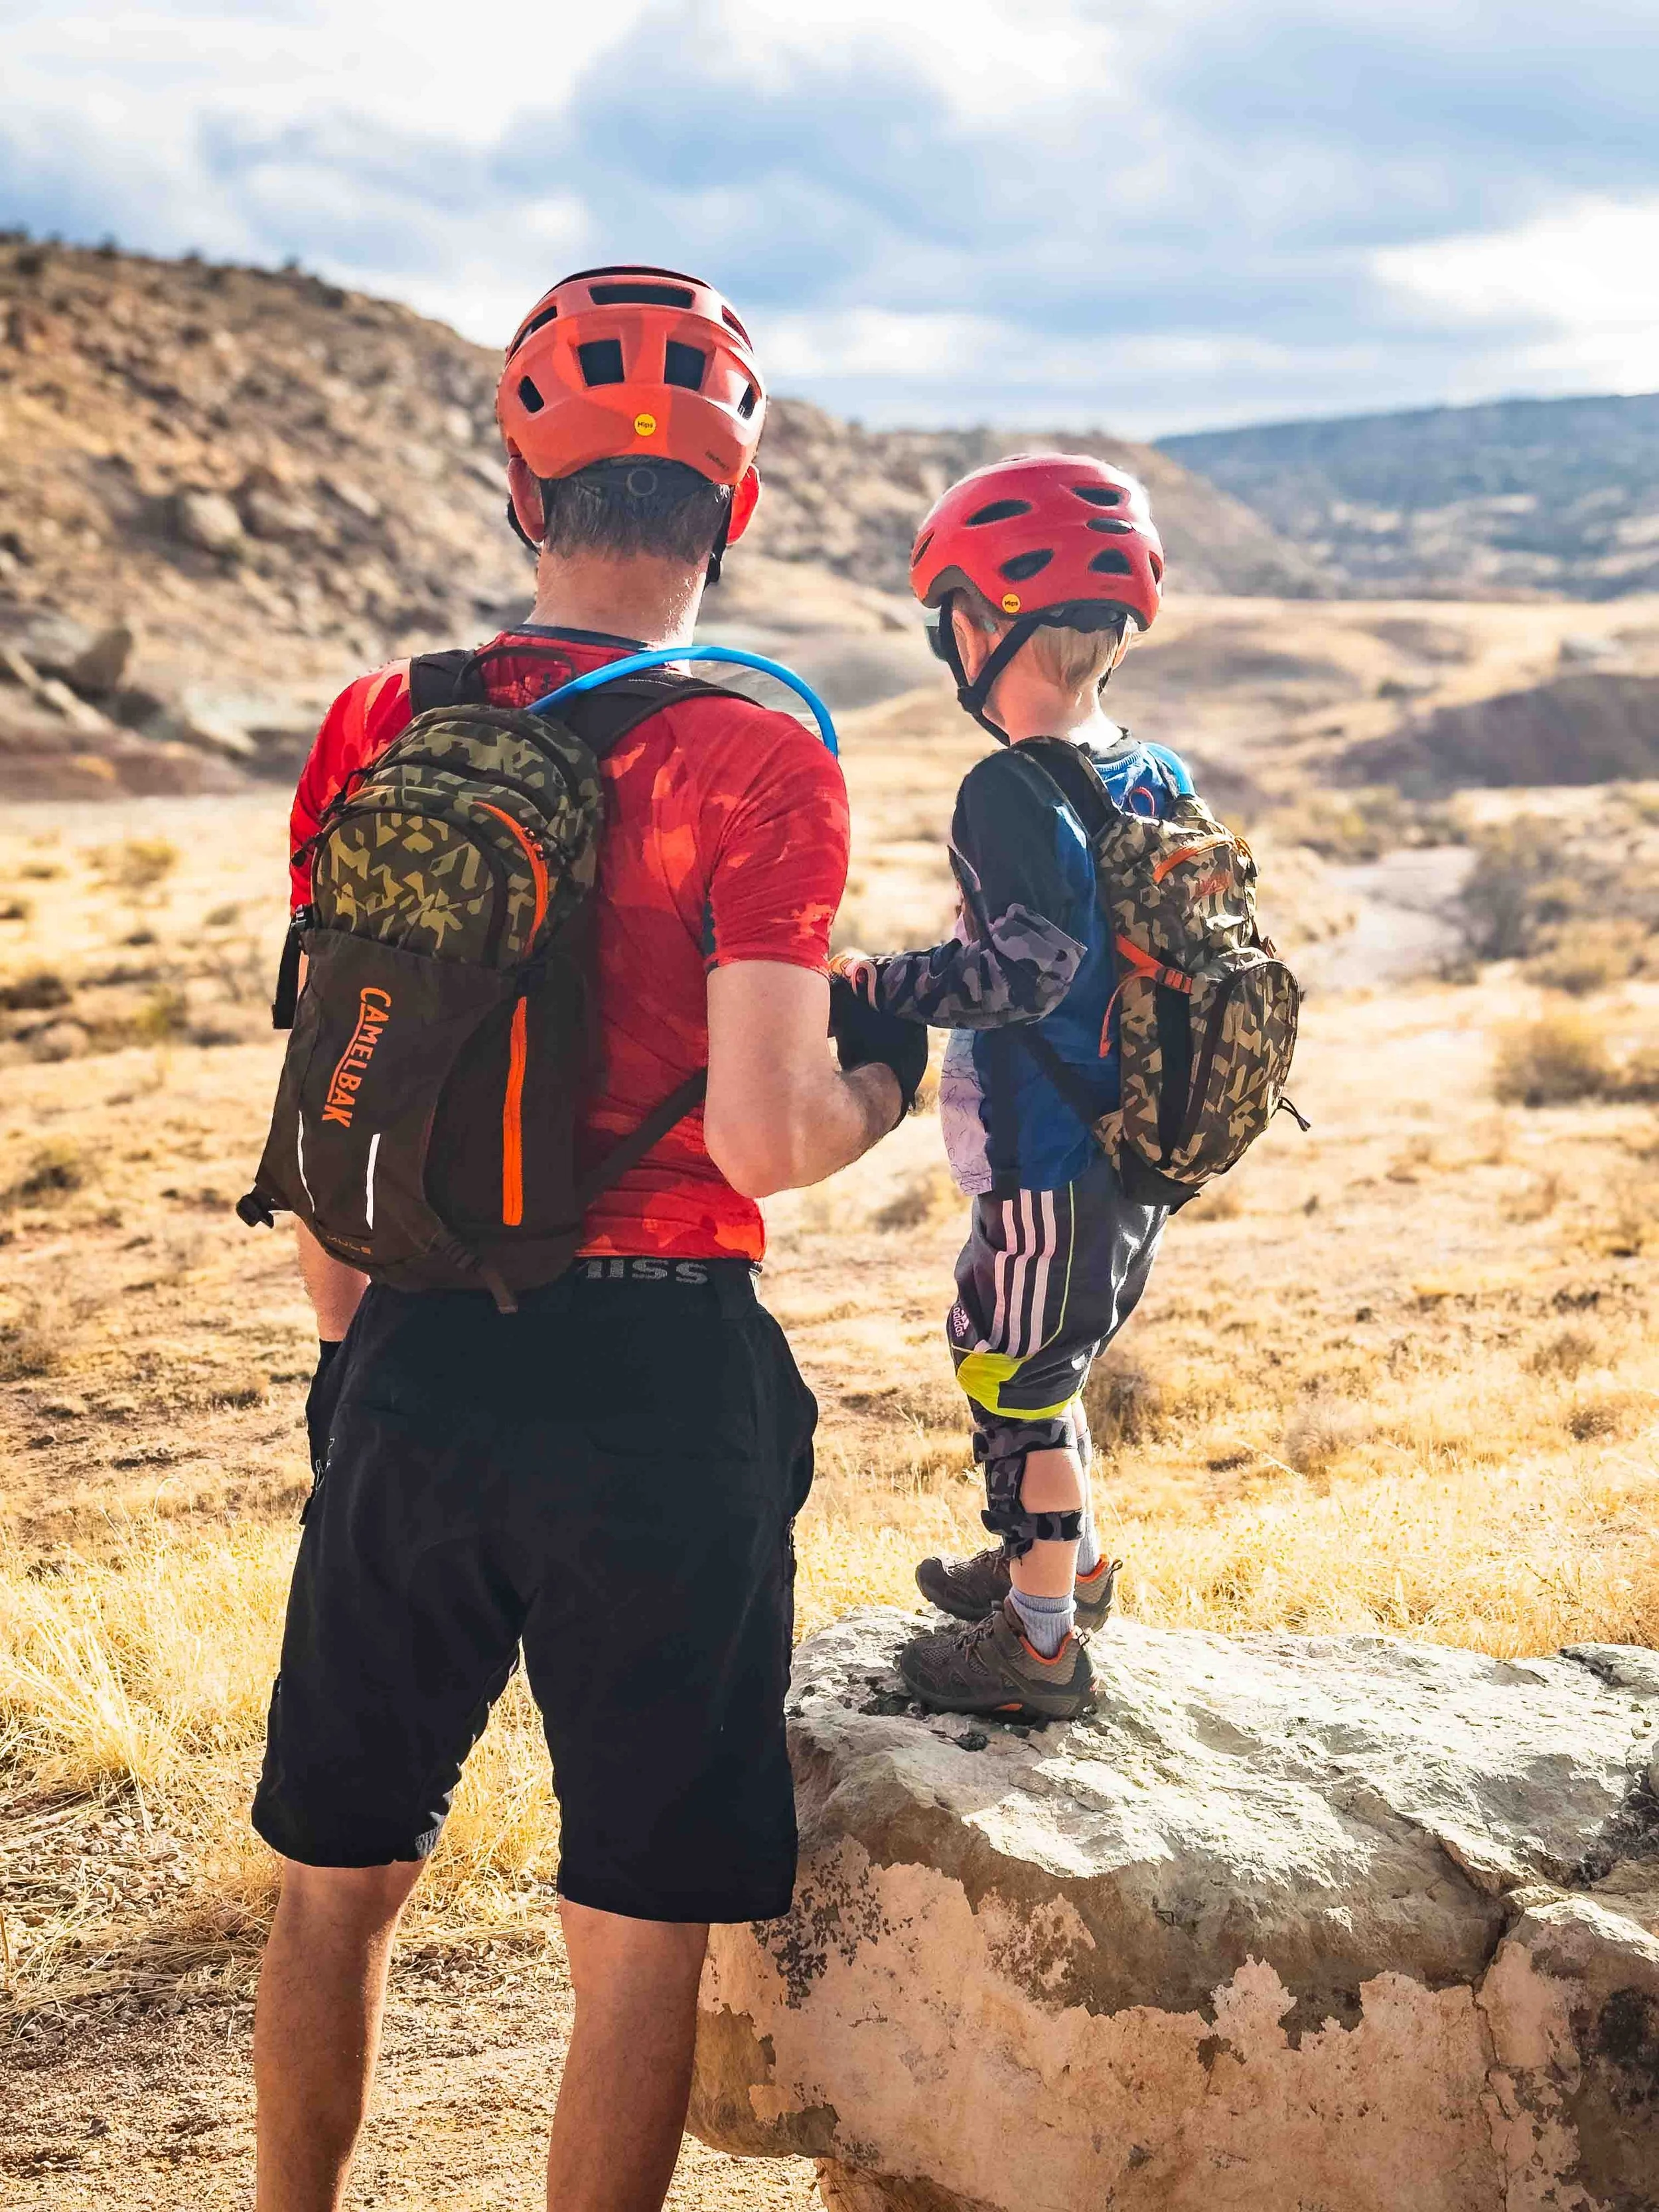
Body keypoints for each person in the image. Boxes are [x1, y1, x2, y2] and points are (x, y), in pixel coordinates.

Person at [249, 264, 926, 2212]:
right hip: (658, 1373)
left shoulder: (380, 722)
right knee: (634, 1925)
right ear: (745, 506)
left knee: (335, 1883)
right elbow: (764, 1131)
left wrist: (350, 1350)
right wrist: (887, 1064)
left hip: (414, 1350)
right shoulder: (759, 754)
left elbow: (337, 1087)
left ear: (518, 495)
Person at [832, 453, 1188, 1725]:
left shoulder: (1009, 786)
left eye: (954, 623)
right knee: (1037, 1351)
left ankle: (1037, 1643)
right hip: (1134, 1144)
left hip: (1052, 1151)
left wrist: (877, 983)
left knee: (1014, 1375)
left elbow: (1027, 969)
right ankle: (1070, 1563)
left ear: (984, 628)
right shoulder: (1153, 770)